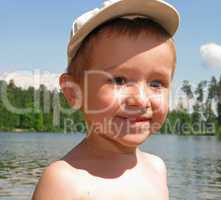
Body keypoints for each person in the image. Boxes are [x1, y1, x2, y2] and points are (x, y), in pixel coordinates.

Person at [32, 0, 180, 199]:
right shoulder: (63, 183)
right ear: (74, 93)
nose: (141, 100)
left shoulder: (157, 168)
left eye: (156, 83)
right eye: (119, 80)